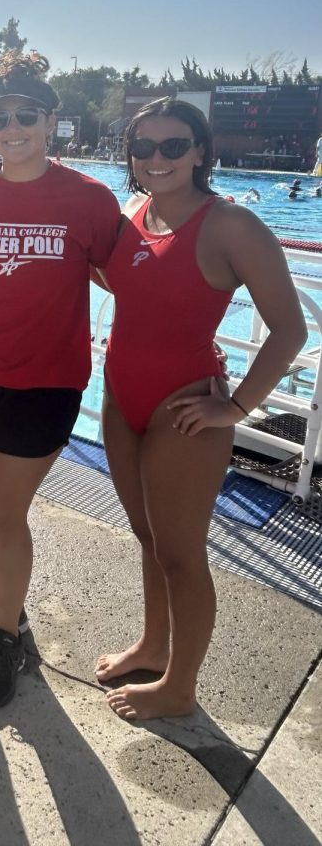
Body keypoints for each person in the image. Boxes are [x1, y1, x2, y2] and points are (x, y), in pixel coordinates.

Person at [96, 97, 306, 720]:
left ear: (199, 153)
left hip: (183, 408)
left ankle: (179, 688)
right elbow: (132, 283)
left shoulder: (231, 226)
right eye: (144, 147)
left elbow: (289, 330)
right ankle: (153, 643)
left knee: (182, 554)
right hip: (118, 395)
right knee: (147, 537)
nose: (156, 159)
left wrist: (236, 407)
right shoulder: (135, 212)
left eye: (172, 146)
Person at [0, 52, 120, 706]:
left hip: (46, 381)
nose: (13, 128)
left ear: (51, 121)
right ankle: (7, 603)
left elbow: (132, 277)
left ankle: (9, 639)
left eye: (26, 117)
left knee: (3, 509)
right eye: (0, 118)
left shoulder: (89, 200)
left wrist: (186, 334)